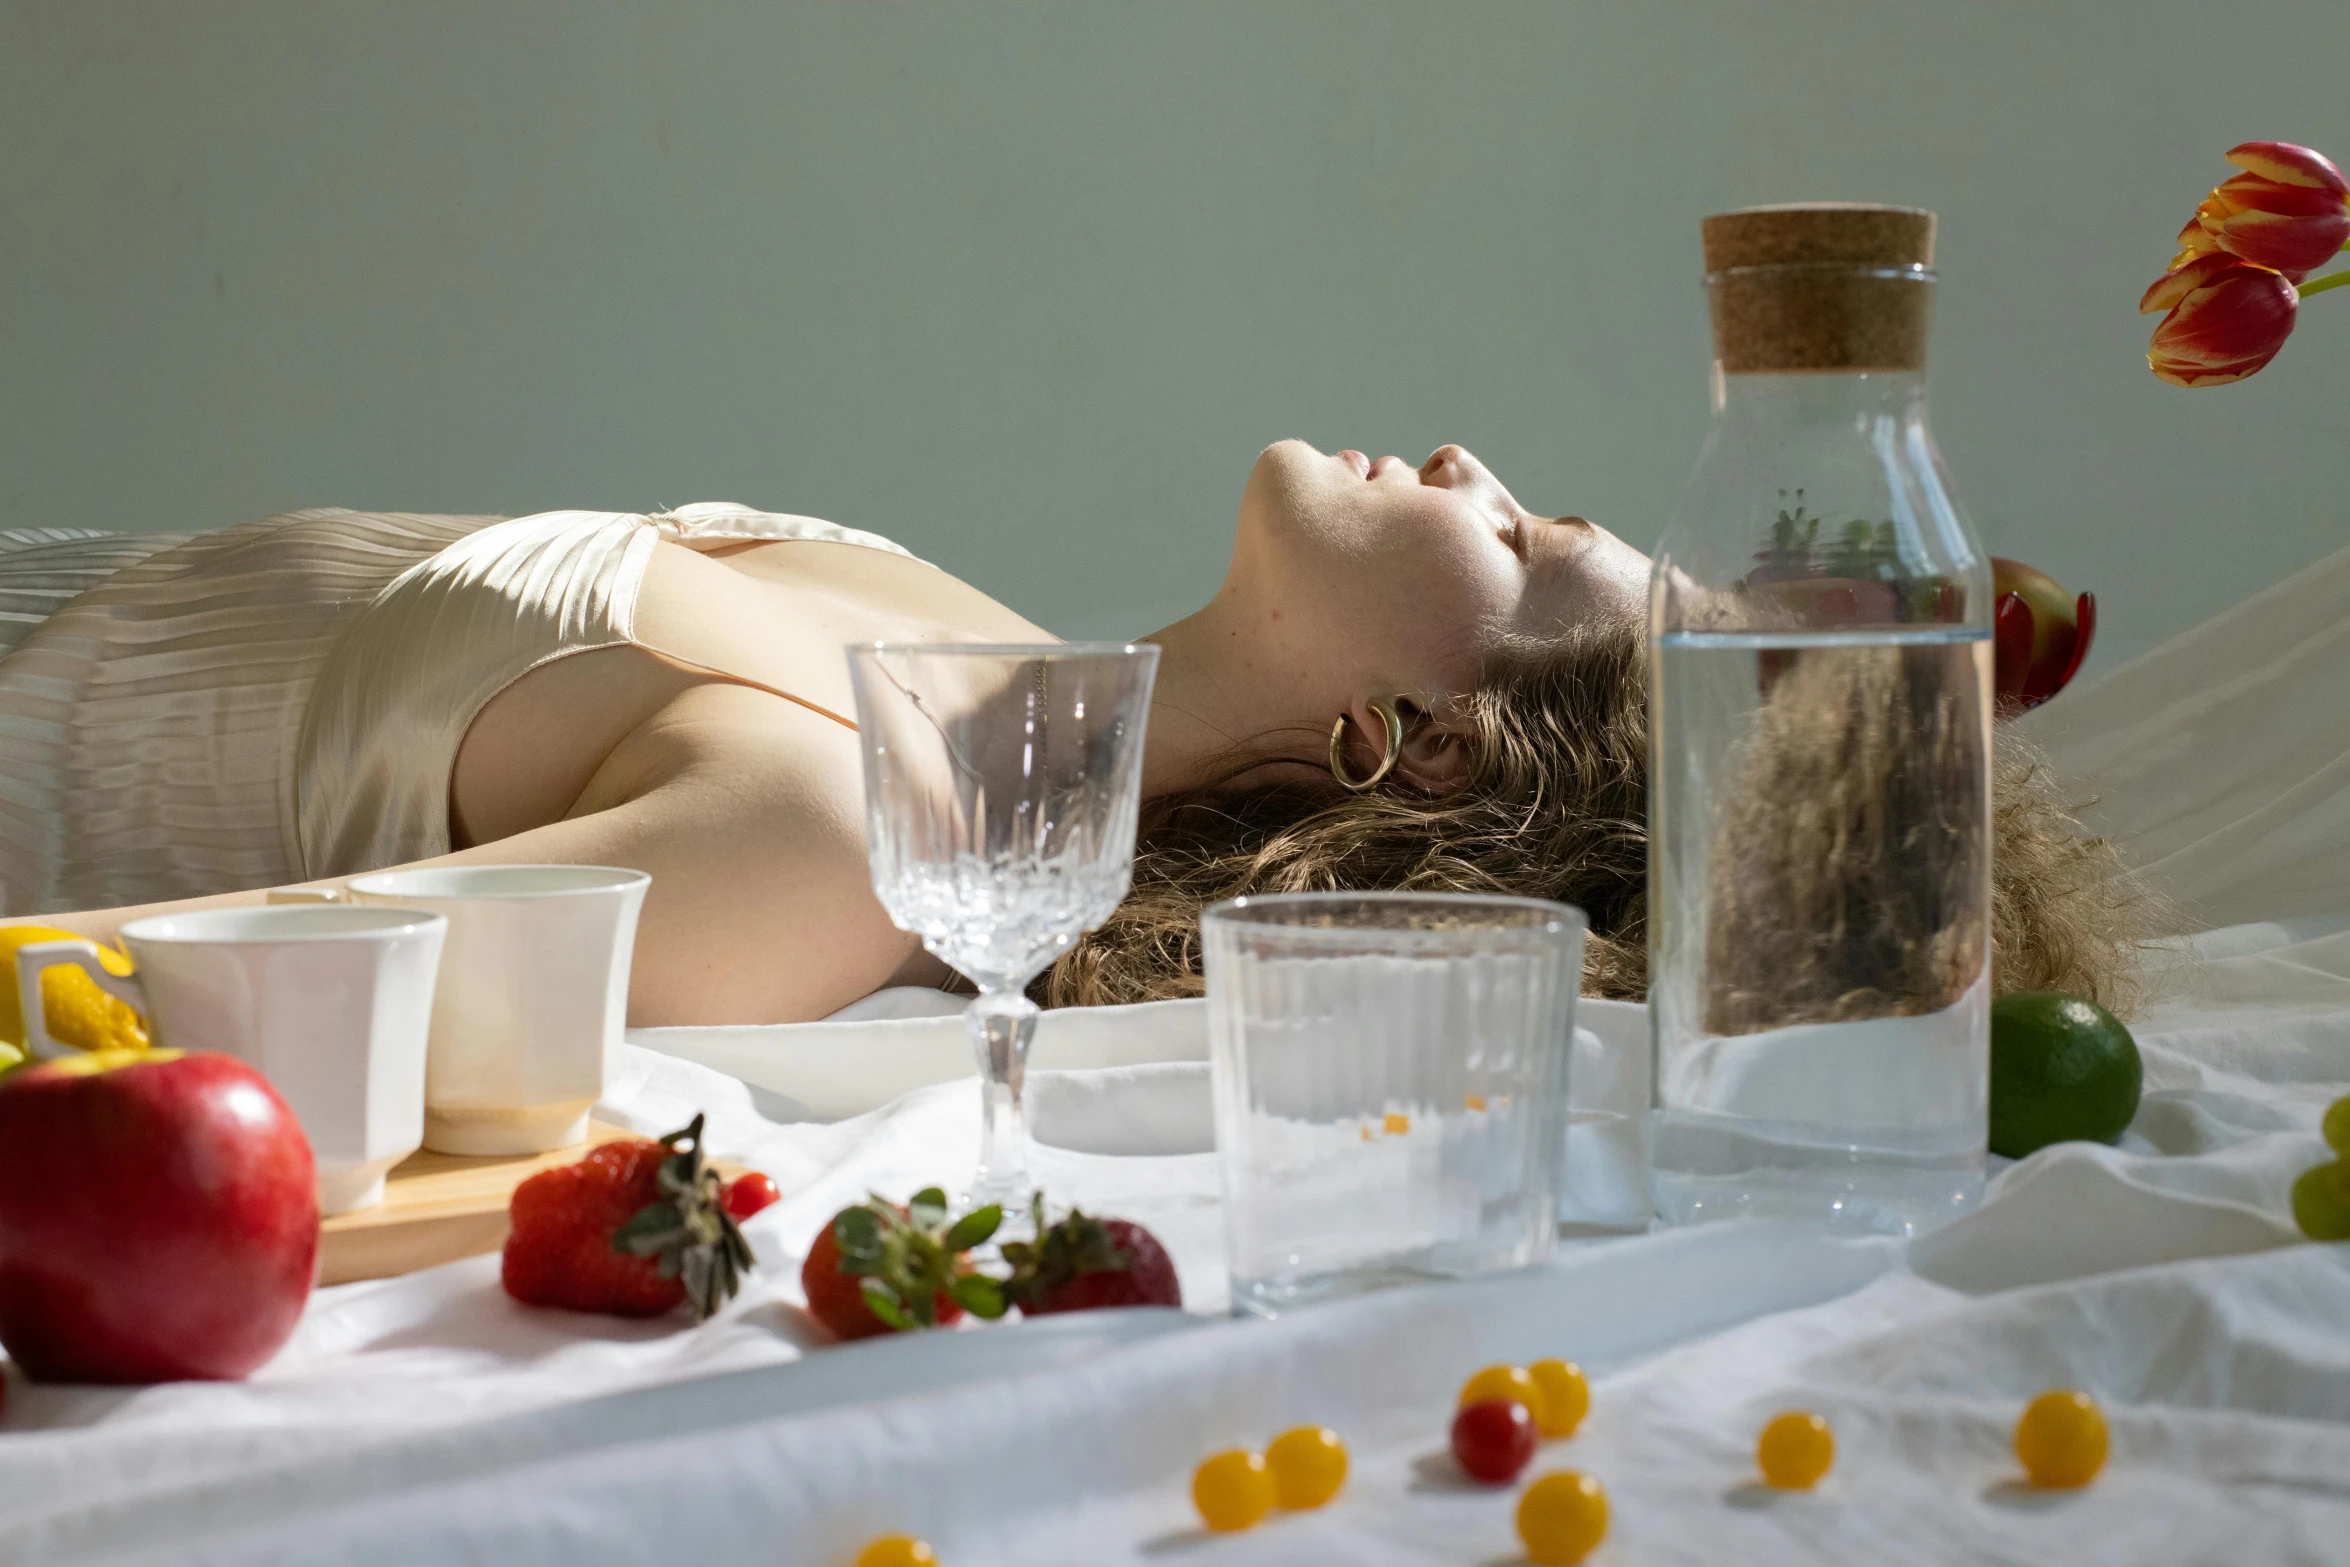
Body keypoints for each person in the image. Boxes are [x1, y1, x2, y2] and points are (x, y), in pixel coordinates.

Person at [0, 442, 2138, 1024]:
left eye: (1534, 536)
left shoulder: (839, 848)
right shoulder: (995, 666)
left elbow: (125, 996)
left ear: (1432, 750)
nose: (1479, 461)